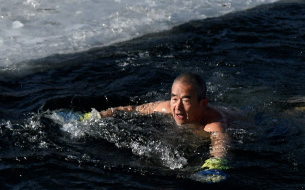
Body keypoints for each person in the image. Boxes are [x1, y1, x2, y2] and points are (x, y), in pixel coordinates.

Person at [89, 72, 232, 171]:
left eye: (186, 100)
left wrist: (215, 165)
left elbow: (220, 143)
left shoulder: (213, 123)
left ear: (203, 103)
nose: (177, 107)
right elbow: (132, 109)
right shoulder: (166, 108)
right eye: (174, 98)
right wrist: (98, 115)